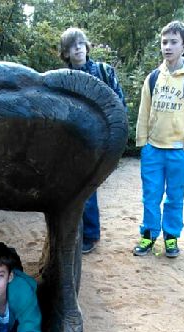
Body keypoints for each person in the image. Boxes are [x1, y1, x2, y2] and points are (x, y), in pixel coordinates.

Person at [134, 20, 184, 258]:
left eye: (173, 42)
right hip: (153, 149)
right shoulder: (153, 77)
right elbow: (144, 111)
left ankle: (171, 238)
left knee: (175, 197)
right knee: (150, 196)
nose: (168, 47)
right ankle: (148, 235)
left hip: (178, 151)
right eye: (164, 42)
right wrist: (142, 142)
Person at [59, 27, 127, 254]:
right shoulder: (62, 77)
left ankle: (89, 235)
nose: (77, 48)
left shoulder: (104, 71)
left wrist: (113, 138)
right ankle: (74, 233)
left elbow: (119, 104)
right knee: (70, 188)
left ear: (87, 46)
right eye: (71, 46)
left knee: (88, 187)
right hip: (72, 140)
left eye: (80, 43)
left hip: (98, 139)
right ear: (65, 52)